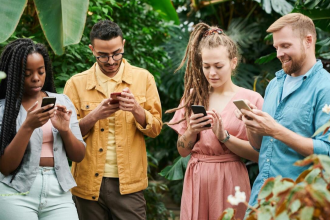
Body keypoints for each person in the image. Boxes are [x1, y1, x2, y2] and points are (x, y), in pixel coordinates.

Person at [63, 20, 162, 220]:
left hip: (129, 185)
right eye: (103, 55)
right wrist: (94, 116)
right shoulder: (76, 84)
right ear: (92, 50)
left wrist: (136, 110)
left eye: (116, 53)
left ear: (123, 45)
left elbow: (156, 129)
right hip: (87, 183)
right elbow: (66, 136)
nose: (111, 61)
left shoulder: (144, 79)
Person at [166, 23, 264, 220]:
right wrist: (191, 131)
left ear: (234, 62)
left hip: (231, 178)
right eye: (206, 66)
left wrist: (225, 137)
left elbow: (258, 155)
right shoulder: (194, 96)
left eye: (218, 66)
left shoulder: (251, 99)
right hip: (197, 178)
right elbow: (183, 150)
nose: (212, 73)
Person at [236, 13, 330, 211]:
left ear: (308, 41)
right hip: (261, 200)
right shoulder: (274, 86)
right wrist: (251, 123)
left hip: (300, 204)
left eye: (285, 46)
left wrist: (275, 130)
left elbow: (327, 152)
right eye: (276, 47)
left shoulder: (325, 88)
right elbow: (260, 147)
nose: (279, 53)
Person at [0, 38, 86, 220]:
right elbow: (5, 167)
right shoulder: (3, 109)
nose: (36, 78)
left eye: (41, 71)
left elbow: (78, 155)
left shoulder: (62, 101)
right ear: (14, 73)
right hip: (16, 192)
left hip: (58, 191)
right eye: (27, 73)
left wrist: (65, 130)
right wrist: (28, 127)